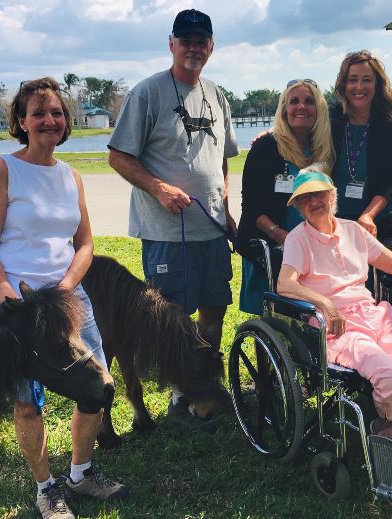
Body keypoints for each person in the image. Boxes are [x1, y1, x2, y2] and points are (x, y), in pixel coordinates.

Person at [0, 77, 128, 519]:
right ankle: (46, 488)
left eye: (56, 112)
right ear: (21, 121)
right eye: (38, 112)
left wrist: (65, 288)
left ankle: (81, 472)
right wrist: (10, 300)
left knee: (96, 385)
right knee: (27, 399)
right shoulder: (3, 169)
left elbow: (84, 244)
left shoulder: (71, 176)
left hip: (66, 298)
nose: (49, 120)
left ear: (66, 122)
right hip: (15, 304)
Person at [107, 9, 238, 431]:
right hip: (167, 233)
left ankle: (201, 384)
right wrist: (160, 189)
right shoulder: (148, 93)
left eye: (202, 41)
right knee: (173, 319)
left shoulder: (217, 95)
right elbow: (118, 156)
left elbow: (222, 161)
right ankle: (180, 398)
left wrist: (226, 205)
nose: (195, 48)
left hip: (211, 230)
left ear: (212, 47)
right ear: (172, 44)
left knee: (214, 310)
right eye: (187, 41)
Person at [277, 167, 392, 471]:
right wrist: (323, 301)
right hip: (335, 328)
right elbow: (285, 285)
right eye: (305, 198)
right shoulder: (298, 239)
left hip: (373, 317)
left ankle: (391, 429)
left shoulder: (353, 230)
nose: (314, 201)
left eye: (319, 194)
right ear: (298, 206)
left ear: (333, 196)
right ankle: (386, 426)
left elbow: (389, 259)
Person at [236, 79, 335, 314]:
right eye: (294, 101)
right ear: (284, 109)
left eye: (309, 101)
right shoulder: (266, 147)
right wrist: (285, 238)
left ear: (319, 109)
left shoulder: (325, 149)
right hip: (272, 243)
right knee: (275, 316)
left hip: (313, 246)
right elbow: (251, 207)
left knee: (311, 312)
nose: (301, 107)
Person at [330, 50, 392, 244]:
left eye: (367, 80)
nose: (359, 87)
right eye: (352, 80)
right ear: (343, 84)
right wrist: (269, 132)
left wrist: (368, 216)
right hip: (336, 221)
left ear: (377, 84)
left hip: (378, 222)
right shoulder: (330, 119)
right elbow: (297, 123)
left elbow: (391, 182)